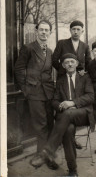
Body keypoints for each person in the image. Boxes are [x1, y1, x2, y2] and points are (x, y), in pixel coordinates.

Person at [31, 53, 95, 177]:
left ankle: (48, 150)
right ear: (63, 65)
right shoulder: (60, 81)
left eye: (72, 61)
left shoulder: (85, 77)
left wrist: (71, 103)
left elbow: (90, 96)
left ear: (76, 63)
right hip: (66, 119)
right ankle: (73, 170)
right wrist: (61, 105)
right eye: (66, 62)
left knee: (68, 113)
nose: (69, 64)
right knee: (68, 130)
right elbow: (54, 101)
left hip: (83, 113)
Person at [15, 20, 54, 165]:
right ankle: (40, 155)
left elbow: (49, 71)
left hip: (48, 92)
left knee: (50, 123)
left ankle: (47, 152)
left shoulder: (50, 51)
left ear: (50, 33)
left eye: (47, 30)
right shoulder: (28, 48)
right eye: (41, 30)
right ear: (37, 31)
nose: (44, 32)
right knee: (41, 125)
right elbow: (19, 69)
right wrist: (26, 90)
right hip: (34, 93)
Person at [53, 20, 91, 149]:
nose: (76, 31)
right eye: (73, 29)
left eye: (78, 29)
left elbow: (88, 62)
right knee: (64, 107)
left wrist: (83, 71)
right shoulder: (62, 43)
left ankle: (70, 140)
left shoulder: (85, 46)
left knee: (73, 106)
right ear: (70, 30)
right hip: (63, 80)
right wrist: (65, 70)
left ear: (82, 31)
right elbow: (54, 59)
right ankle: (66, 139)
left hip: (77, 81)